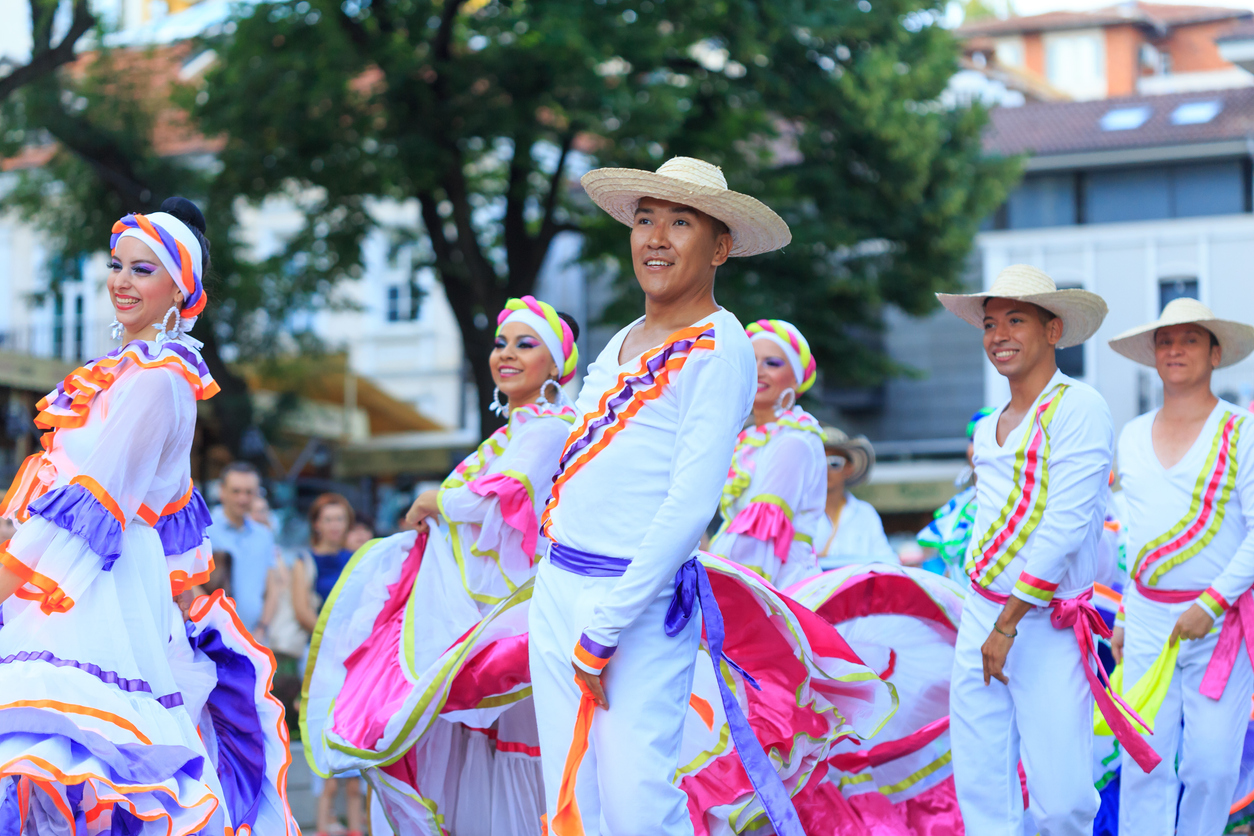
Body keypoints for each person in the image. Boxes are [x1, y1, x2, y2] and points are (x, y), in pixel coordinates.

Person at [532, 157, 894, 836]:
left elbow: (691, 504)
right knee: (571, 797)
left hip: (632, 602)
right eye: (644, 220)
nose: (656, 238)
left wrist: (606, 625)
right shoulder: (622, 341)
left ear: (720, 246)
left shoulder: (720, 345)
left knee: (639, 804)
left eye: (680, 222)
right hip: (559, 584)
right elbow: (579, 460)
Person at [0, 198, 296, 833]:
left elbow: (91, 507)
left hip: (88, 580)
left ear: (179, 288)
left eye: (143, 270)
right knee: (54, 763)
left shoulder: (158, 381)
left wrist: (6, 583)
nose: (121, 282)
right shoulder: (125, 376)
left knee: (79, 758)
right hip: (81, 574)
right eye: (117, 266)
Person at [302, 295, 580, 835]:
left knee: (513, 744)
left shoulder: (549, 426)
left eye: (527, 345)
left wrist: (433, 500)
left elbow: (495, 502)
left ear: (556, 365)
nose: (507, 354)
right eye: (502, 343)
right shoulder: (513, 432)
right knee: (463, 736)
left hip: (511, 613)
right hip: (480, 610)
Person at [936, 264, 1160, 835]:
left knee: (1061, 801)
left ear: (1053, 331)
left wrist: (1006, 624)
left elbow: (1064, 527)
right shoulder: (989, 428)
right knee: (984, 787)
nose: (999, 335)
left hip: (1046, 622)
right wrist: (984, 618)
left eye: (1016, 320)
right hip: (983, 613)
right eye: (989, 324)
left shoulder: (1079, 408)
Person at [1107, 298, 1254, 835]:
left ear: (1216, 354)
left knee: (1211, 766)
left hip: (1219, 623)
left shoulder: (1242, 432)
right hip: (1145, 621)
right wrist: (1124, 611)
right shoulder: (1131, 435)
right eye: (1165, 341)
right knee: (1142, 759)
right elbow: (1132, 536)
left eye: (1190, 339)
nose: (1175, 350)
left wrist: (1212, 602)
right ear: (1152, 355)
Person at [707, 318, 826, 588]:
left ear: (797, 379)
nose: (758, 371)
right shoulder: (747, 440)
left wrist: (718, 582)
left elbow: (761, 532)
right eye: (751, 362)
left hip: (780, 587)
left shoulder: (794, 441)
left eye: (772, 363)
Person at [292, 491, 364, 836]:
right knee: (323, 732)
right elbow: (302, 610)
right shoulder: (304, 561)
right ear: (317, 524)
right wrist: (333, 637)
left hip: (354, 658)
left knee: (353, 735)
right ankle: (322, 826)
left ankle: (355, 826)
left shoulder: (358, 559)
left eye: (340, 518)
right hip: (322, 655)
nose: (335, 525)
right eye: (329, 519)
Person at [917, 408, 994, 580]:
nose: (980, 448)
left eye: (989, 439)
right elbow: (945, 566)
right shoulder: (961, 504)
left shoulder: (1022, 499)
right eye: (975, 440)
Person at [208, 460, 277, 634]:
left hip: (254, 636)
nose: (242, 498)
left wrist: (262, 628)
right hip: (212, 637)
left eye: (249, 492)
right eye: (236, 491)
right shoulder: (204, 530)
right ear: (222, 491)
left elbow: (272, 587)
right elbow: (189, 583)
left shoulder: (264, 535)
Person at [817, 427, 896, 568]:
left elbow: (888, 562)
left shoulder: (866, 514)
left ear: (849, 468)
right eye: (818, 461)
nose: (826, 469)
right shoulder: (799, 513)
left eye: (834, 462)